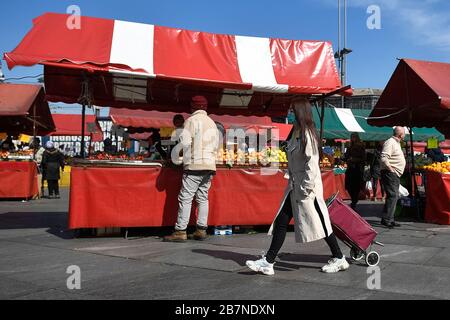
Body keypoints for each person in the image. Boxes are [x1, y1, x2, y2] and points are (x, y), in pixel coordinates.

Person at [245, 97, 349, 275]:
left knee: (322, 223)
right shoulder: (297, 132)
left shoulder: (307, 133)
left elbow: (312, 163)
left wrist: (305, 187)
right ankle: (269, 261)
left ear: (300, 112)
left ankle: (339, 258)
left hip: (307, 188)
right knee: (282, 221)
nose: (291, 113)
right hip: (296, 185)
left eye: (293, 110)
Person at [164, 96, 220, 242]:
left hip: (195, 165)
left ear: (193, 107)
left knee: (186, 198)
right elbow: (215, 146)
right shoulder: (212, 123)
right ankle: (201, 230)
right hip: (209, 165)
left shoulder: (191, 121)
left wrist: (178, 158)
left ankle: (180, 231)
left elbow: (185, 144)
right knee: (203, 198)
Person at [380, 127, 406, 228]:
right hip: (390, 173)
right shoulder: (390, 142)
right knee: (393, 196)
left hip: (393, 173)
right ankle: (387, 219)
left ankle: (389, 218)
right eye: (404, 133)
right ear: (400, 135)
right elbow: (384, 157)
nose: (405, 135)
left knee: (393, 196)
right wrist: (390, 169)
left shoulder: (396, 142)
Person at [343, 133, 366, 209]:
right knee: (349, 186)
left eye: (353, 137)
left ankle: (354, 201)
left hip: (357, 169)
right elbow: (346, 156)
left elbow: (363, 158)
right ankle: (354, 199)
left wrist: (354, 160)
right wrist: (344, 158)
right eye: (351, 137)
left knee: (356, 187)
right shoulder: (349, 146)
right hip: (350, 169)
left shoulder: (361, 146)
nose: (352, 138)